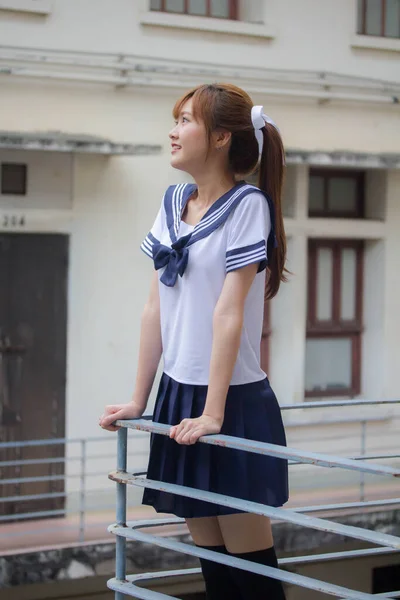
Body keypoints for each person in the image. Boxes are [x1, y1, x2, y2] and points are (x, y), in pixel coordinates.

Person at [100, 83, 289, 599]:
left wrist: (213, 412)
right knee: (213, 565)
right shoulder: (172, 202)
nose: (173, 130)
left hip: (230, 399)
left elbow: (228, 314)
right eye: (176, 119)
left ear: (222, 136)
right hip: (180, 395)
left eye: (185, 120)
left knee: (251, 573)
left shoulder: (248, 205)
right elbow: (154, 308)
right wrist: (140, 399)